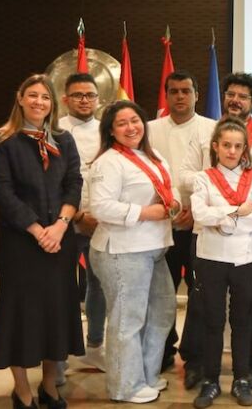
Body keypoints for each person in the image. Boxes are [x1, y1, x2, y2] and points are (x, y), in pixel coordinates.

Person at [0, 74, 84, 409]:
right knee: (20, 315)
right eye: (33, 95)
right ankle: (22, 390)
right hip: (21, 245)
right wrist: (37, 230)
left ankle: (50, 386)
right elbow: (3, 192)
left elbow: (74, 184)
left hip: (60, 242)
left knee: (55, 313)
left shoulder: (63, 140)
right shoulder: (1, 140)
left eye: (45, 97)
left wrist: (59, 226)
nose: (39, 102)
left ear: (53, 103)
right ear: (20, 97)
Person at [88, 100, 179, 404]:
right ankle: (124, 386)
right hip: (123, 251)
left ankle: (146, 375)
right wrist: (145, 212)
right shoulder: (109, 161)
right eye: (122, 123)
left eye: (135, 121)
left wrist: (174, 203)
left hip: (155, 247)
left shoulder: (152, 155)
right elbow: (100, 207)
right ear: (111, 131)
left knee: (162, 312)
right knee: (127, 321)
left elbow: (169, 188)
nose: (131, 127)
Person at [189, 119, 252, 408]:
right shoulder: (203, 177)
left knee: (243, 320)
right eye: (226, 145)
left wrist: (222, 219)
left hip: (247, 258)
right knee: (212, 320)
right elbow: (199, 214)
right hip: (210, 257)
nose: (232, 151)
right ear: (216, 146)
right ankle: (210, 381)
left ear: (245, 149)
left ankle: (241, 378)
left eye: (238, 146)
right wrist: (238, 211)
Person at [147, 71, 216, 377]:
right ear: (167, 95)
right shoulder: (149, 129)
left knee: (199, 293)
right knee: (162, 292)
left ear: (196, 95)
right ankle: (161, 350)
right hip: (159, 223)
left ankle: (194, 355)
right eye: (173, 91)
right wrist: (171, 209)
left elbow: (216, 177)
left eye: (186, 91)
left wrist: (193, 211)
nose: (179, 96)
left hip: (200, 224)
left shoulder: (211, 129)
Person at [58, 73, 107, 372]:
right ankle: (59, 353)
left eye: (90, 95)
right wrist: (75, 216)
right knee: (62, 286)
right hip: (62, 221)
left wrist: (95, 215)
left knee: (98, 285)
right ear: (65, 99)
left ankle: (95, 346)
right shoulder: (54, 130)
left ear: (98, 99)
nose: (84, 100)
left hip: (99, 221)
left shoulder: (107, 130)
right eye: (78, 95)